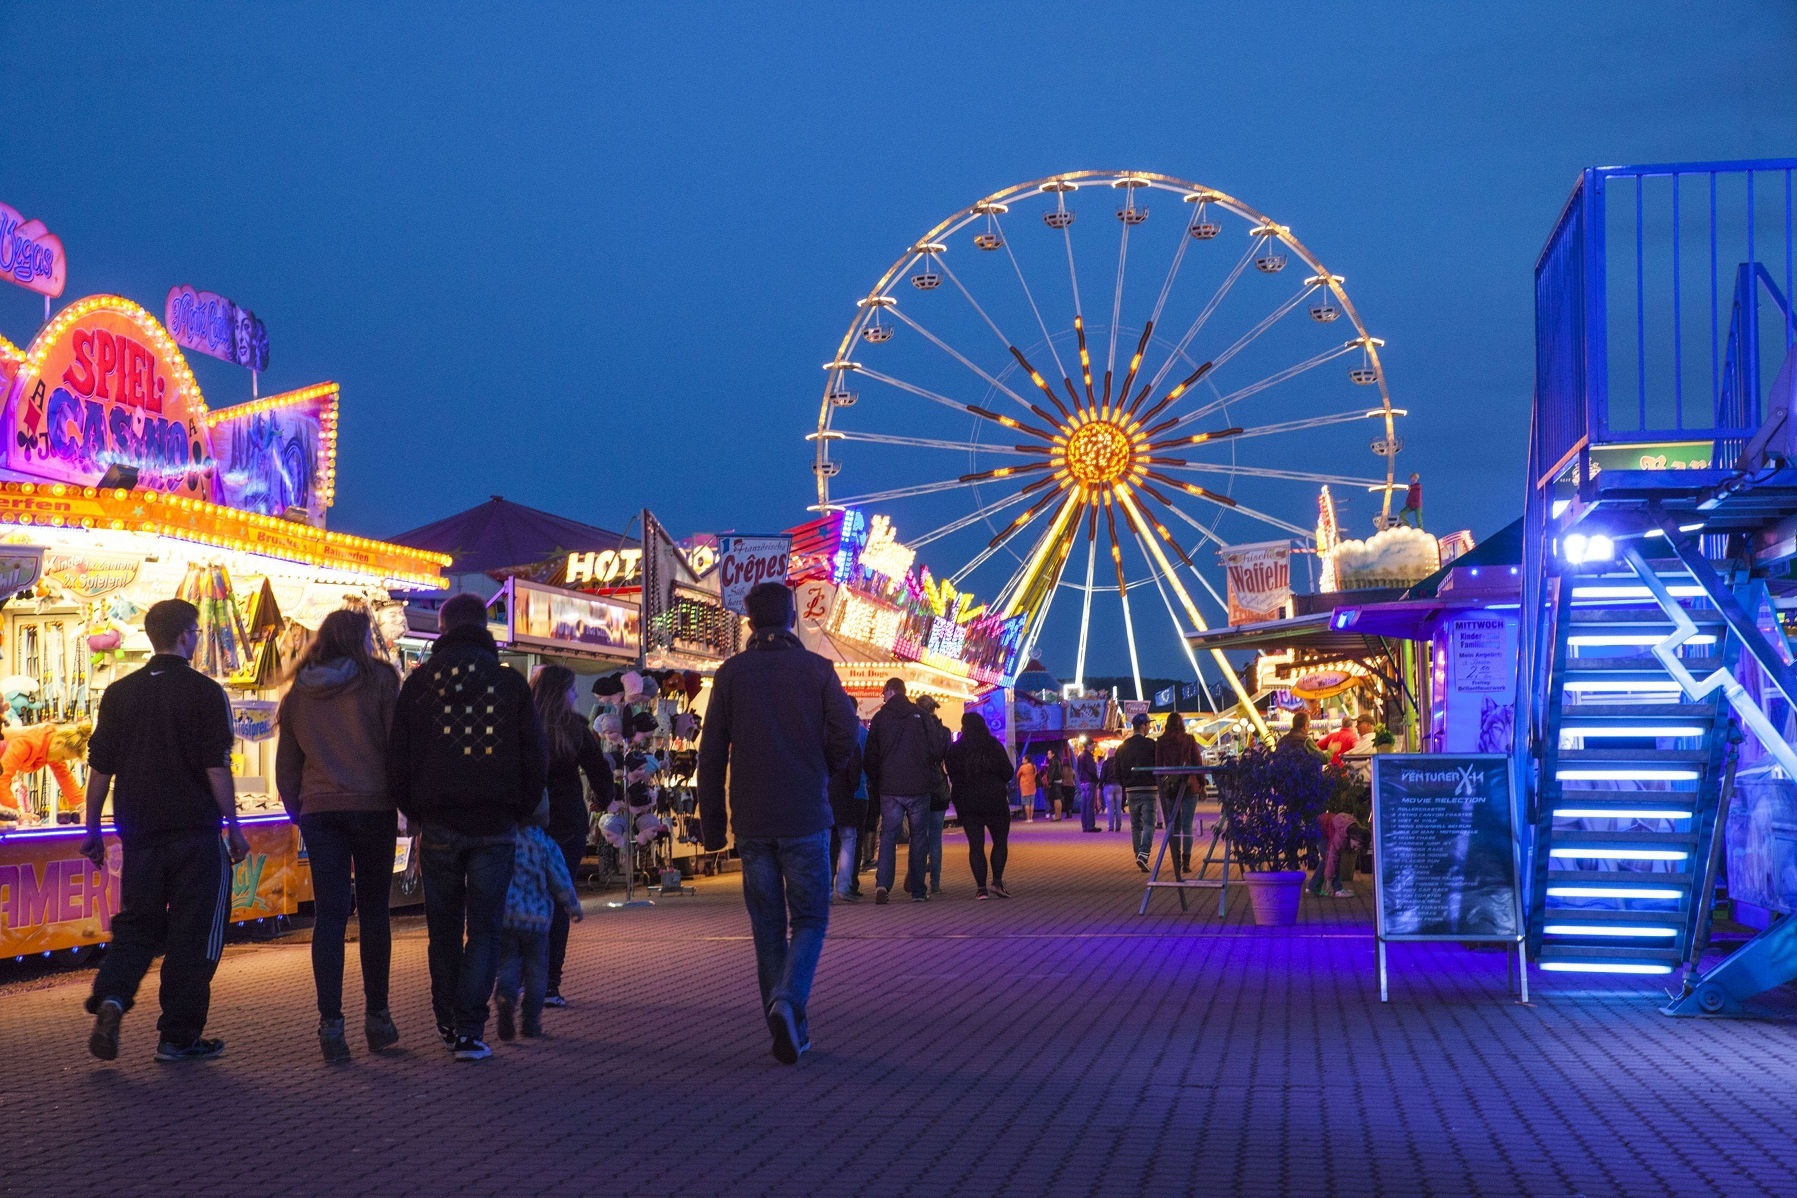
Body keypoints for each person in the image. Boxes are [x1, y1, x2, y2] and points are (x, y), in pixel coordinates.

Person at [83, 599, 249, 1064]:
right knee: (194, 936)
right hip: (195, 833)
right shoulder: (204, 692)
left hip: (139, 833)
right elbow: (216, 766)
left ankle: (113, 997)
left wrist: (92, 828)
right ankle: (178, 1036)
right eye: (196, 633)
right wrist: (234, 826)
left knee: (136, 926)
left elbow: (100, 769)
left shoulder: (119, 692)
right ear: (186, 635)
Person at [698, 581, 857, 1063]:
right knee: (809, 918)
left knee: (766, 925)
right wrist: (824, 767)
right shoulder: (818, 671)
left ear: (749, 622)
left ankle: (786, 1027)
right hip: (805, 813)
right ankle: (788, 1003)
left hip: (751, 817)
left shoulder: (731, 675)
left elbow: (709, 754)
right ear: (792, 618)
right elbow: (846, 730)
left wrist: (711, 827)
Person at [388, 591, 547, 1063]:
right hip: (495, 823)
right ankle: (468, 1030)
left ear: (442, 626)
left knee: (442, 927)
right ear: (485, 626)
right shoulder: (509, 685)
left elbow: (397, 757)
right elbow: (535, 756)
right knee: (484, 929)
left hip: (437, 822)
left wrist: (412, 809)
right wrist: (518, 808)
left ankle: (446, 1016)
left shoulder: (417, 687)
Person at [275, 607, 402, 1063]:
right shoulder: (381, 680)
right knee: (374, 914)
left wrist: (299, 809)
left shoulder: (297, 694)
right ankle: (378, 1017)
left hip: (320, 812)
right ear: (362, 639)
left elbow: (287, 767)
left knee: (329, 917)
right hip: (373, 807)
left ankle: (331, 1024)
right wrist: (404, 803)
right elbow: (396, 746)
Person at [530, 664, 612, 1008]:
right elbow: (600, 773)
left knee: (529, 895)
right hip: (567, 821)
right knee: (560, 900)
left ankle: (521, 974)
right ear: (561, 692)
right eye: (572, 690)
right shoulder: (575, 728)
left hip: (529, 820)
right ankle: (550, 983)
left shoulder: (524, 725)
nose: (576, 695)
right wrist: (601, 800)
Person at [494, 796, 583, 1041]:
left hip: (506, 915)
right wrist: (573, 906)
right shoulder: (546, 845)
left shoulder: (505, 840)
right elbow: (560, 879)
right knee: (536, 969)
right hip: (538, 920)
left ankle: (505, 995)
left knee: (508, 962)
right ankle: (531, 1022)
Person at [863, 676, 940, 904]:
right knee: (918, 837)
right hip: (918, 787)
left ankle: (882, 886)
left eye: (883, 693)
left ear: (890, 691)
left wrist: (879, 780)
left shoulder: (880, 718)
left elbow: (871, 756)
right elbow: (936, 750)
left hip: (890, 788)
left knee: (888, 835)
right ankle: (917, 890)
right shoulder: (922, 716)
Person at [944, 712, 1013, 899]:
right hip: (994, 800)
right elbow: (1008, 772)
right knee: (999, 842)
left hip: (968, 803)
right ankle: (997, 881)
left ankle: (981, 888)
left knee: (976, 846)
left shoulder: (955, 749)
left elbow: (952, 775)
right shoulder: (993, 745)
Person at [915, 694, 953, 896]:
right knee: (936, 837)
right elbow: (948, 758)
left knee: (918, 836)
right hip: (938, 785)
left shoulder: (915, 730)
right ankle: (935, 882)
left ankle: (917, 878)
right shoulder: (945, 732)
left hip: (918, 785)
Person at [1112, 713, 1160, 871]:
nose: (1150, 728)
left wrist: (1125, 783)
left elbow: (1116, 768)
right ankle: (1144, 853)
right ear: (1143, 726)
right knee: (1149, 824)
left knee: (1136, 825)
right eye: (1148, 725)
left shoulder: (1124, 746)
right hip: (1149, 788)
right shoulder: (1151, 744)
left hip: (1131, 789)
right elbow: (1159, 764)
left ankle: (1138, 854)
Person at [1155, 714, 1202, 874]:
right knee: (1187, 826)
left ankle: (1176, 859)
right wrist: (1202, 784)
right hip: (1189, 785)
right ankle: (1187, 862)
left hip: (1170, 787)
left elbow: (1158, 765)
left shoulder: (1161, 741)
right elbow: (1197, 763)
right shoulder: (1189, 739)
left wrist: (1162, 783)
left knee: (1173, 825)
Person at [830, 723, 867, 902]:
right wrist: (851, 788)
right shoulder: (851, 741)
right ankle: (844, 886)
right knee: (849, 838)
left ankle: (826, 888)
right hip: (846, 798)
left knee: (828, 845)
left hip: (825, 799)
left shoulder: (821, 739)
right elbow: (855, 770)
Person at [1075, 743, 1100, 832]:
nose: (1094, 746)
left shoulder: (1080, 756)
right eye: (1093, 744)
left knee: (1084, 804)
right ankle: (1090, 825)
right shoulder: (1088, 756)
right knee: (1090, 804)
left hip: (1083, 782)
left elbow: (1078, 769)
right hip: (1090, 781)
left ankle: (1085, 825)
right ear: (1089, 745)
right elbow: (1091, 770)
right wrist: (1096, 780)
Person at [1099, 749, 1124, 833]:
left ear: (1108, 753)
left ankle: (1110, 827)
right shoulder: (1120, 762)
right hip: (1118, 786)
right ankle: (1118, 827)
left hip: (1108, 786)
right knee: (1118, 807)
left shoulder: (1105, 763)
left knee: (1110, 808)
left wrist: (1100, 785)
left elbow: (1102, 775)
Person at [1015, 753, 1038, 821]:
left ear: (1027, 760)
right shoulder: (1033, 766)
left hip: (1025, 787)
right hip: (1032, 786)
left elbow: (1017, 775)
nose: (1022, 761)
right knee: (1032, 803)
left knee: (1026, 803)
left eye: (1023, 760)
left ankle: (1028, 818)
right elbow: (1035, 774)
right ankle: (1031, 818)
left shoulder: (1023, 767)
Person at [1042, 749, 1063, 820]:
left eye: (1049, 754)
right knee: (1058, 798)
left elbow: (1052, 772)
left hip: (1055, 782)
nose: (1048, 755)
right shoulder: (1058, 760)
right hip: (1059, 781)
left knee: (1056, 799)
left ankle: (1057, 816)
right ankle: (1059, 815)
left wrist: (1049, 782)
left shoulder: (1053, 761)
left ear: (1053, 754)